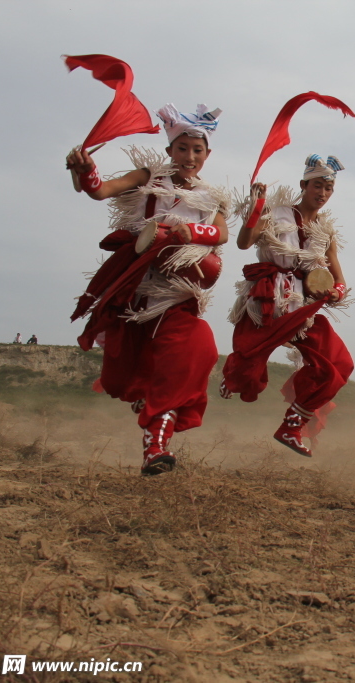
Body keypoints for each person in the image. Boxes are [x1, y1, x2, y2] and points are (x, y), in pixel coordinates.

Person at [65, 103, 229, 476]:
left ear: (207, 154)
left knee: (198, 350)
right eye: (182, 148)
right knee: (126, 376)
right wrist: (86, 170)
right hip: (137, 295)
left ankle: (155, 445)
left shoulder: (210, 197)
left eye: (197, 150)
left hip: (177, 297)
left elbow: (221, 232)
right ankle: (148, 403)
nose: (189, 156)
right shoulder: (150, 177)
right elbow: (102, 190)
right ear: (170, 149)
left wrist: (193, 233)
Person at [221, 155, 353, 458]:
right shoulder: (277, 213)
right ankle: (233, 377)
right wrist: (255, 213)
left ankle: (292, 425)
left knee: (339, 364)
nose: (322, 193)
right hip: (269, 300)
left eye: (328, 188)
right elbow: (244, 242)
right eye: (317, 186)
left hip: (302, 308)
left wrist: (336, 291)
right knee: (246, 372)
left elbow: (339, 278)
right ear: (303, 185)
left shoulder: (326, 231)